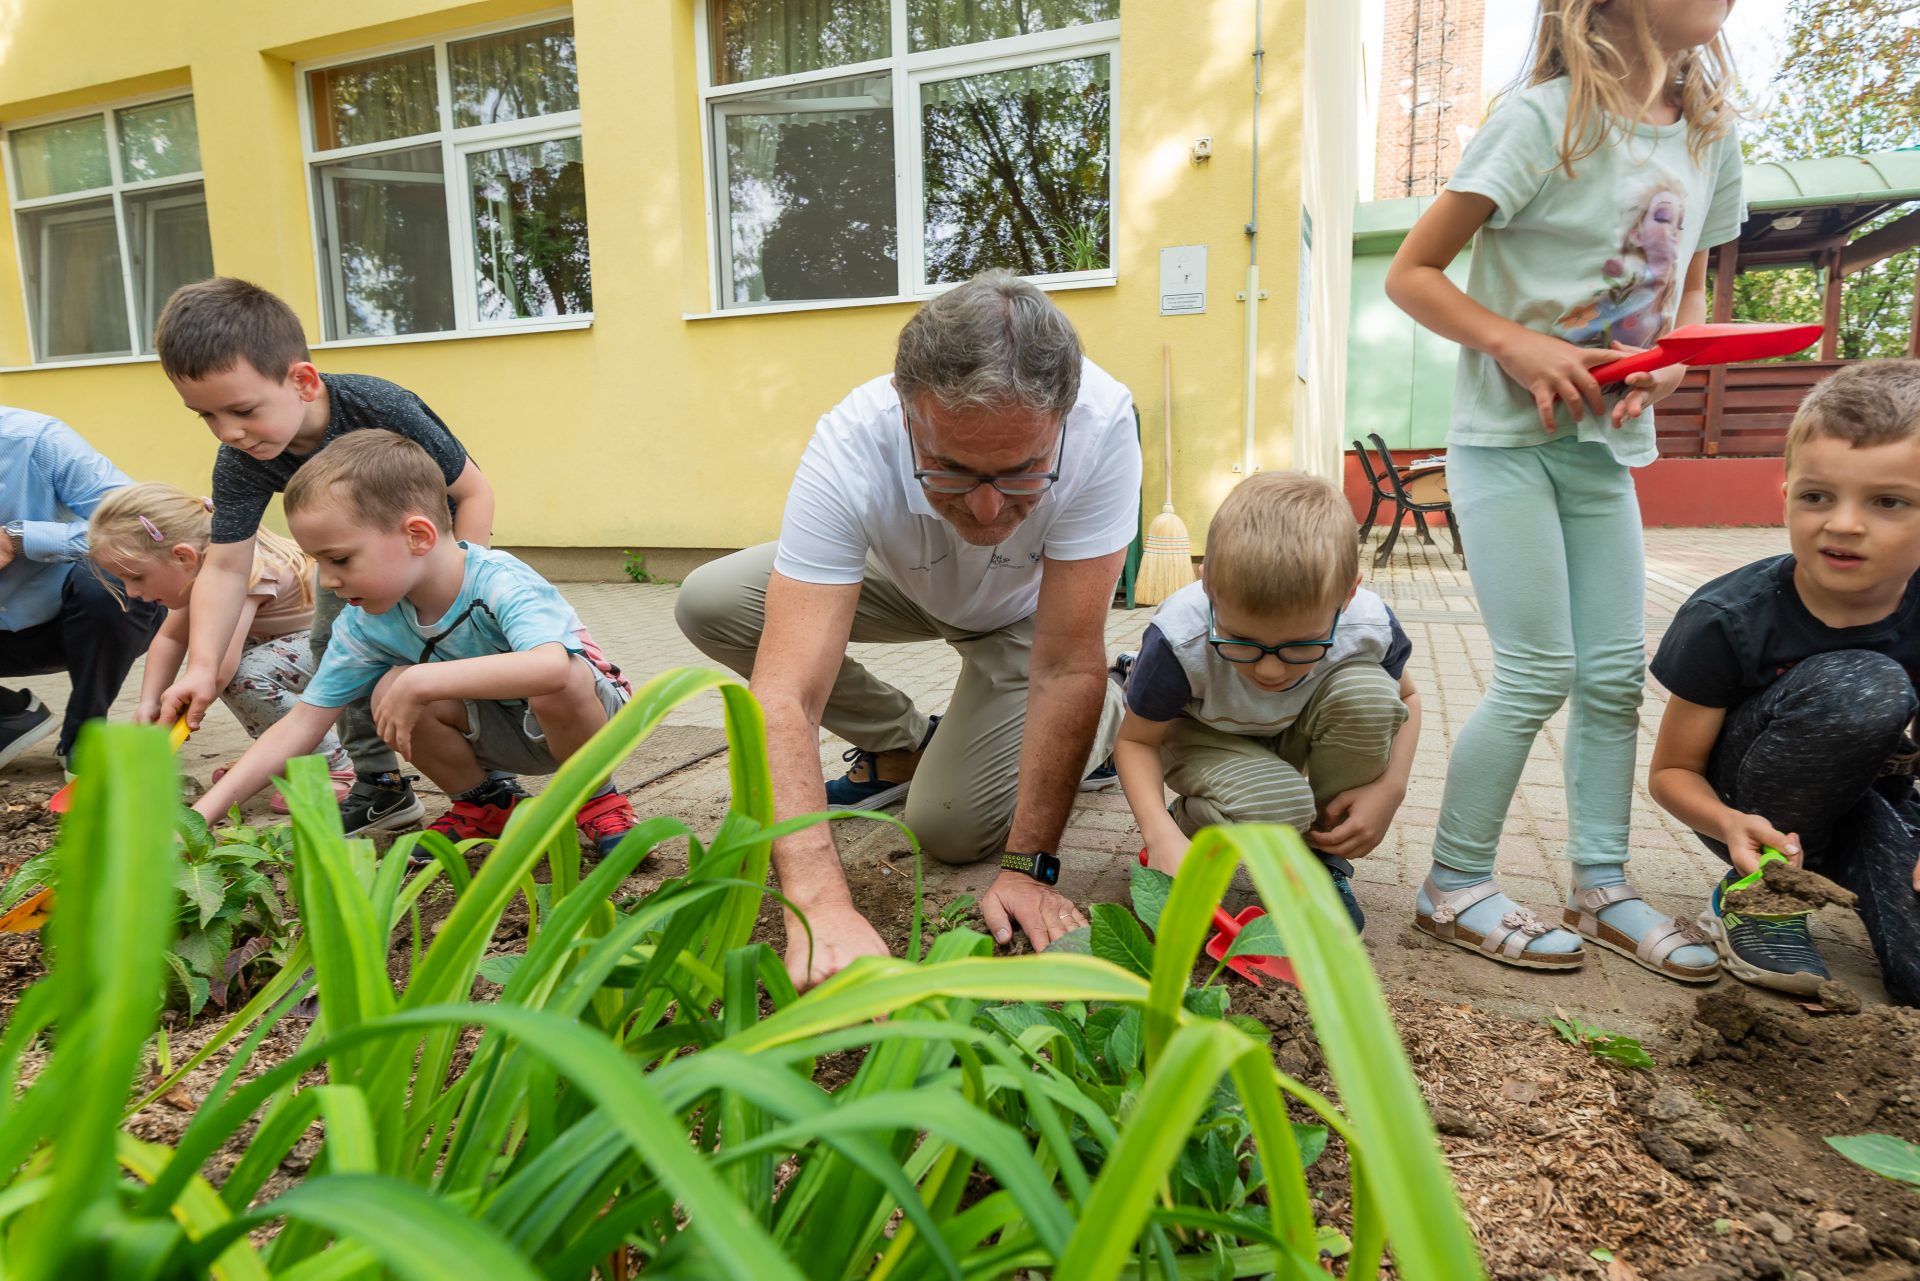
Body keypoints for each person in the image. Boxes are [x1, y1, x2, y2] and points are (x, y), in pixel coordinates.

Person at [1383, 0, 1745, 977]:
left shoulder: (1710, 138)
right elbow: (1413, 274)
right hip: (1505, 443)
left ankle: (1601, 885)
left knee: (1618, 672)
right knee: (1539, 669)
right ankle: (1451, 885)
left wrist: (1667, 366)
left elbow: (1691, 296)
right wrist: (1517, 342)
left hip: (1606, 450)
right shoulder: (1544, 121)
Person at [676, 270, 1140, 991]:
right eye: (950, 471)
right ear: (906, 415)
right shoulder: (853, 438)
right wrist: (819, 900)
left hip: (1026, 618)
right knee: (710, 600)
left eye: (1021, 474)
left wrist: (1028, 868)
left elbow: (1063, 666)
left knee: (949, 828)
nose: (987, 511)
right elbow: (786, 690)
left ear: (1062, 422)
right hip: (902, 577)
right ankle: (904, 739)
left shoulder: (1104, 426)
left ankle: (1111, 712)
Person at [152, 277, 497, 836]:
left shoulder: (379, 405)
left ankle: (491, 776)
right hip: (351, 562)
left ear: (303, 381)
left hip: (436, 557)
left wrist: (458, 590)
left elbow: (472, 492)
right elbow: (225, 565)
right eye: (207, 416)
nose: (229, 432)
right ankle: (381, 786)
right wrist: (200, 668)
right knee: (336, 652)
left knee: (457, 662)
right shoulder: (242, 459)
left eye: (240, 409)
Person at [191, 431, 638, 856]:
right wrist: (200, 818)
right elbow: (300, 724)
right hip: (498, 728)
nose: (327, 580)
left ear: (417, 535)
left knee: (558, 678)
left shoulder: (498, 578)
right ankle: (485, 805)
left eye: (341, 558)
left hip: (595, 719)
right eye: (319, 562)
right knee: (391, 688)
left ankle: (596, 799)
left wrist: (421, 680)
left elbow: (552, 669)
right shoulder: (367, 622)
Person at [1649, 360, 1920, 1007]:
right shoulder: (1727, 616)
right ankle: (1761, 902)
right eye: (1818, 496)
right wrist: (1728, 821)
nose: (1845, 523)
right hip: (1755, 812)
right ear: (1787, 493)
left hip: (1870, 790)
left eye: (1887, 501)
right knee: (1867, 686)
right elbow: (1671, 772)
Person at [1114, 472, 1421, 931]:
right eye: (1240, 641)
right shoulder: (1180, 638)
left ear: (1348, 594)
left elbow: (1407, 698)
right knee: (1282, 802)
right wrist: (1157, 834)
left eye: (1302, 644)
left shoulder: (1368, 625)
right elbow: (1136, 741)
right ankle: (1187, 828)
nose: (1270, 670)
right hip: (1201, 736)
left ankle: (1318, 855)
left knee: (1371, 696)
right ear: (1208, 586)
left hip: (1289, 732)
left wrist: (1390, 788)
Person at [88, 482, 353, 811]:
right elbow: (170, 638)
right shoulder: (201, 571)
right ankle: (285, 754)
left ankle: (333, 766)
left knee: (243, 675)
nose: (131, 592)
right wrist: (150, 704)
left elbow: (218, 672)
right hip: (293, 653)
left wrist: (172, 722)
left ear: (183, 556)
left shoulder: (245, 574)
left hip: (338, 651)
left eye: (137, 577)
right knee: (237, 666)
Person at [0, 407, 163, 771]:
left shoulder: (36, 439)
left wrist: (20, 539)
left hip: (73, 621)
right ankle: (10, 717)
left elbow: (141, 524)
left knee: (113, 578)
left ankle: (85, 735)